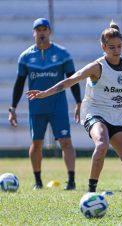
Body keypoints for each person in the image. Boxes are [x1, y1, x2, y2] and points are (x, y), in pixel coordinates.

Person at [26, 20, 122, 217]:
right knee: (102, 144)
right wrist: (44, 93)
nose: (116, 51)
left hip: (119, 118)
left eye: (118, 47)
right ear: (103, 47)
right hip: (94, 113)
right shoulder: (96, 67)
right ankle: (90, 193)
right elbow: (70, 80)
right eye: (111, 48)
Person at [8, 18, 81, 190]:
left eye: (44, 29)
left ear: (49, 32)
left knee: (66, 142)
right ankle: (38, 181)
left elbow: (73, 79)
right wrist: (13, 108)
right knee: (37, 143)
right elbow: (19, 84)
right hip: (36, 108)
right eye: (38, 29)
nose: (41, 32)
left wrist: (78, 101)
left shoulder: (63, 54)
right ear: (34, 32)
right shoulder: (25, 57)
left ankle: (71, 181)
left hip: (58, 107)